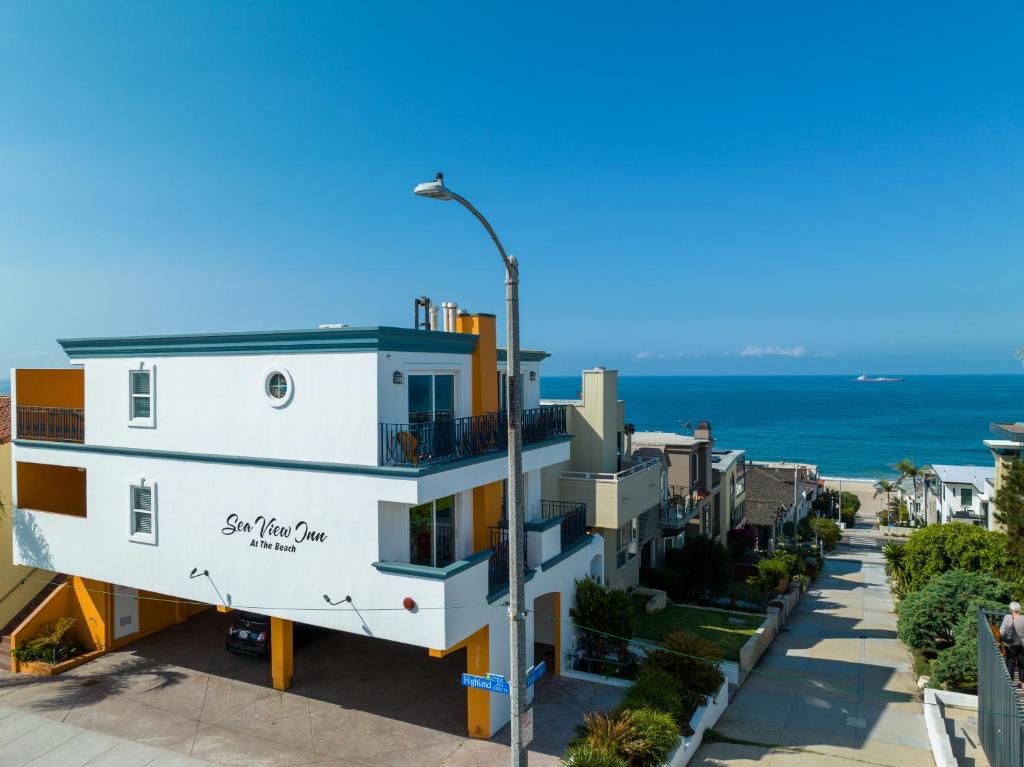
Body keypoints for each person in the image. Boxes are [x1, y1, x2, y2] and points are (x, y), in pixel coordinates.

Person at [1000, 601, 1024, 687]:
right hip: (1022, 644)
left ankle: (1009, 684)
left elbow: (1001, 631)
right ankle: (1022, 683)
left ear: (1011, 609)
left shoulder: (1007, 617)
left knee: (1010, 662)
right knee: (1022, 663)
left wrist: (1004, 637)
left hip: (1009, 644)